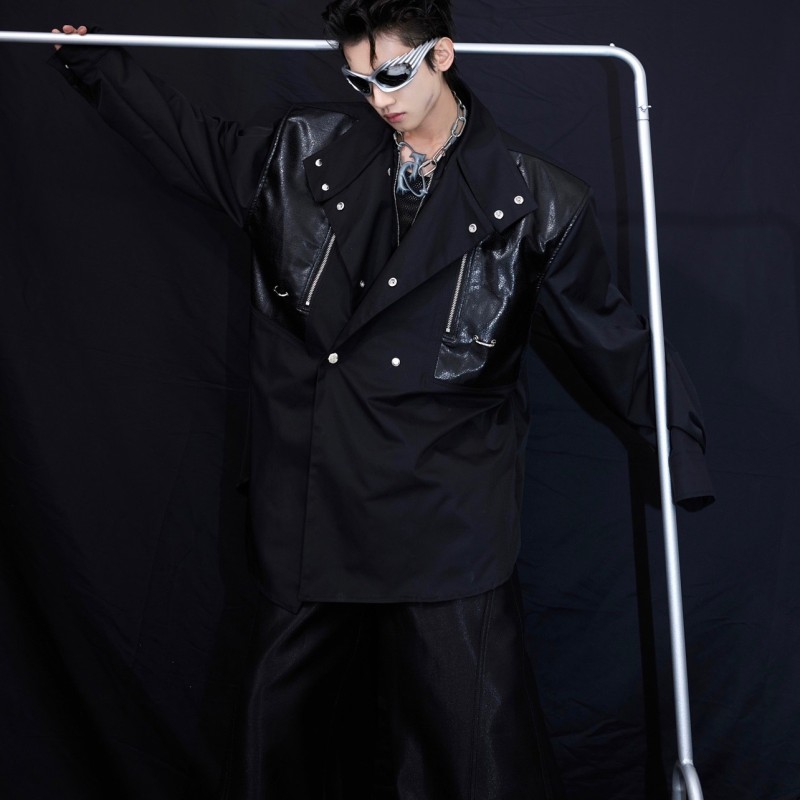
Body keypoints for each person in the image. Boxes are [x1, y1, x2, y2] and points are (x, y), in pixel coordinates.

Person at [51, 2, 713, 798]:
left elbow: (611, 337)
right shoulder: (299, 156)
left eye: (394, 74)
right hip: (313, 509)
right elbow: (189, 141)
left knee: (473, 756)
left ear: (443, 55)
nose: (379, 98)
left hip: (447, 518)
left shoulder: (539, 201)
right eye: (359, 81)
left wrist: (675, 441)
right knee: (283, 748)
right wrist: (94, 64)